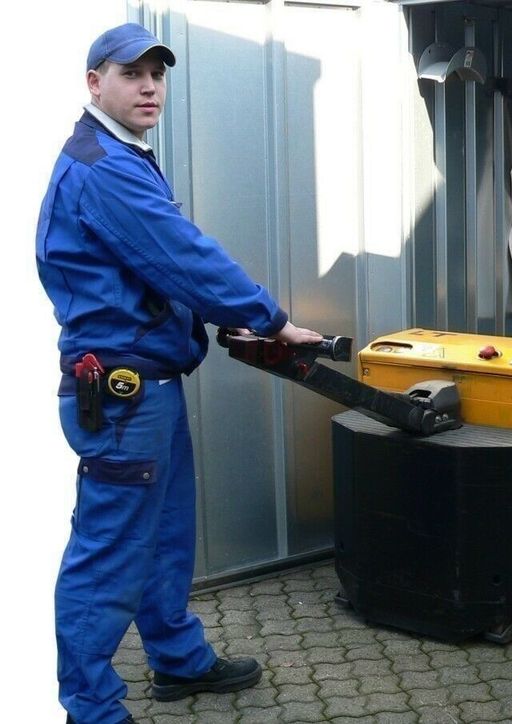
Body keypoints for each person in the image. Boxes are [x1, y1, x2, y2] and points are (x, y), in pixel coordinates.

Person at [36, 23, 327, 724]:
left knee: (166, 537)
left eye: (156, 75)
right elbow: (182, 254)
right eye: (130, 73)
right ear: (93, 83)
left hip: (148, 392)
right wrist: (270, 319)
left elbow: (149, 271)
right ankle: (91, 709)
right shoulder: (101, 164)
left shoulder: (121, 155)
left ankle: (177, 658)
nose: (147, 87)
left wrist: (200, 316)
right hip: (122, 398)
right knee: (107, 554)